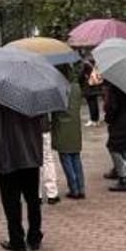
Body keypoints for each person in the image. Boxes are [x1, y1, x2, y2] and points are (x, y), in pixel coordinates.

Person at [0, 99, 48, 251]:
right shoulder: (34, 97)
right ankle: (34, 237)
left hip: (7, 155)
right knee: (33, 198)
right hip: (30, 155)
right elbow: (44, 124)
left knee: (11, 200)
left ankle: (17, 240)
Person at [51, 65, 85, 199]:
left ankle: (74, 188)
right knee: (76, 157)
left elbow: (53, 110)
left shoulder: (57, 89)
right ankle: (81, 188)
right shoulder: (76, 87)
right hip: (75, 126)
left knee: (66, 159)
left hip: (61, 127)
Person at [78, 58, 104, 127]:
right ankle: (96, 119)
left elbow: (80, 77)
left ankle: (93, 120)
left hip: (88, 88)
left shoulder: (85, 66)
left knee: (91, 104)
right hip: (95, 87)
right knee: (95, 104)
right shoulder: (94, 65)